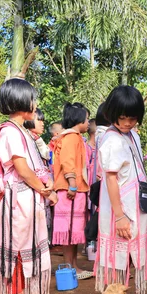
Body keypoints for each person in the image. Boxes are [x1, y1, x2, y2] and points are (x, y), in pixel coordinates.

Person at [0, 78, 54, 294]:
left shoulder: (20, 132)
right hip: (20, 203)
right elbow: (23, 169)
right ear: (20, 101)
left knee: (26, 252)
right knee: (19, 254)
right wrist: (45, 190)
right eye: (32, 98)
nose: (35, 103)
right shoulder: (10, 132)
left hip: (27, 200)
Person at [95, 85, 147, 294]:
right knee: (116, 262)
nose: (128, 123)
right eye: (122, 118)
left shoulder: (132, 136)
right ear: (112, 114)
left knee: (128, 259)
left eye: (133, 118)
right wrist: (119, 216)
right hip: (120, 209)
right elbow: (110, 179)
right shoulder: (111, 140)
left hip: (134, 206)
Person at [51, 102, 93, 279]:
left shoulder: (74, 137)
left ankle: (74, 266)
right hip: (71, 190)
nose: (89, 122)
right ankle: (70, 267)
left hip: (75, 190)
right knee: (69, 232)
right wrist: (73, 184)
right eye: (87, 119)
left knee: (73, 232)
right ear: (79, 119)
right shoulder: (71, 137)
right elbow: (68, 162)